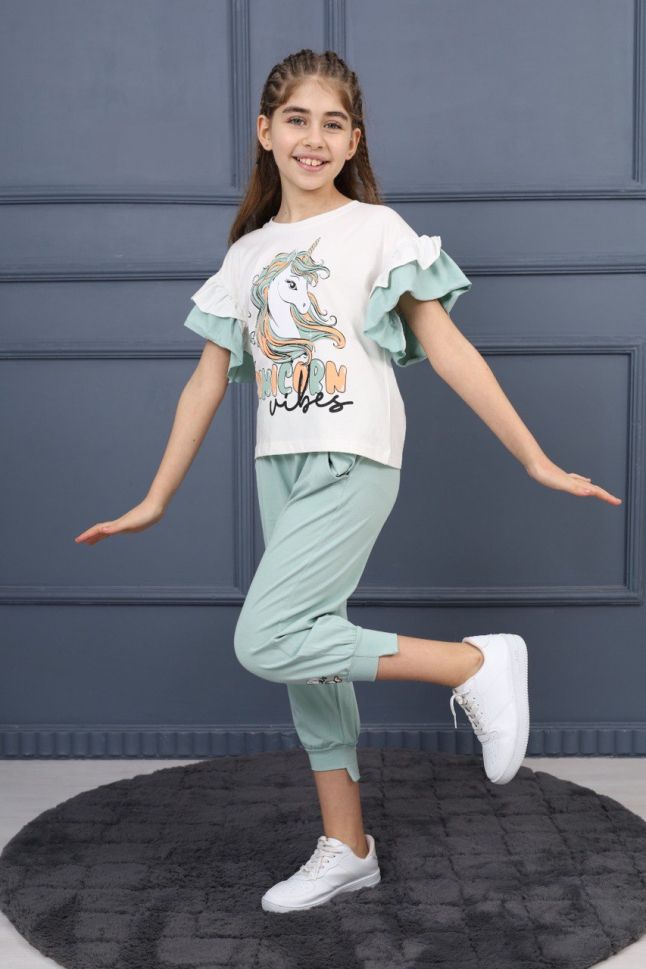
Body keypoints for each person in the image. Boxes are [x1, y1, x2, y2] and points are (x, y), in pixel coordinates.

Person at [75, 48, 622, 914]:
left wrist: (534, 457)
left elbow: (448, 348)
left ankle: (473, 662)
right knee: (311, 660)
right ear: (265, 131)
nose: (314, 138)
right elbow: (205, 383)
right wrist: (156, 497)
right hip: (280, 464)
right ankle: (349, 846)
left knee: (267, 637)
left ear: (354, 139)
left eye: (334, 124)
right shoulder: (248, 253)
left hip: (355, 454)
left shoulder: (377, 229)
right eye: (297, 120)